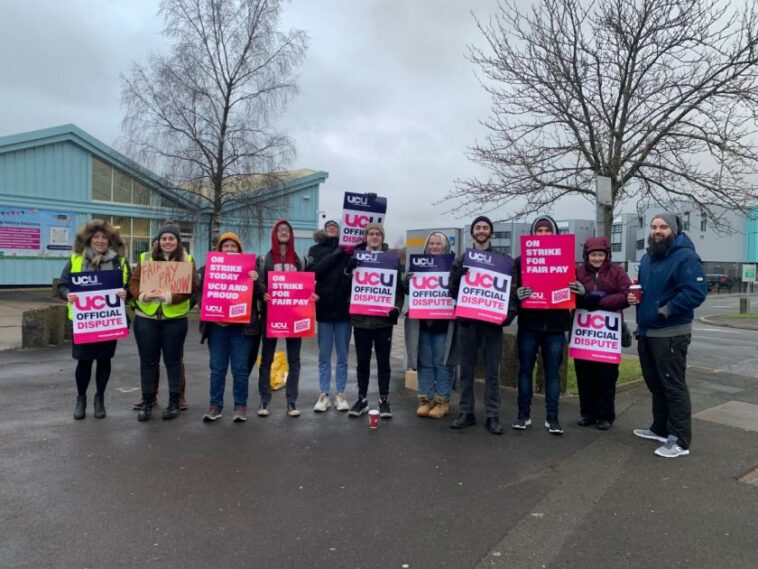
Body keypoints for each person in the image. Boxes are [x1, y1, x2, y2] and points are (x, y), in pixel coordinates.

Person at [628, 213, 707, 458]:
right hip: (648, 332)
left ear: (673, 230)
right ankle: (660, 428)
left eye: (663, 227)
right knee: (655, 383)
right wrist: (635, 297)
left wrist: (665, 310)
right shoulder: (649, 257)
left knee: (673, 386)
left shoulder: (686, 257)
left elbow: (696, 292)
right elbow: (646, 289)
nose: (657, 231)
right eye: (654, 227)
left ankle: (680, 440)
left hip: (671, 332)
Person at [447, 216, 517, 434]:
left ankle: (492, 415)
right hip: (467, 325)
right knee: (466, 371)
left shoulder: (504, 261)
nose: (481, 230)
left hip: (492, 326)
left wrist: (508, 316)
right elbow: (451, 291)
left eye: (485, 227)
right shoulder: (461, 260)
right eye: (478, 227)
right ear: (473, 232)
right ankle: (466, 412)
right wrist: (460, 276)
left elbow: (512, 293)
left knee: (492, 373)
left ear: (491, 233)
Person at [58, 219, 130, 420]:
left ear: (110, 241)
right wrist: (67, 295)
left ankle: (100, 399)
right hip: (84, 323)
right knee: (84, 362)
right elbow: (62, 285)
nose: (100, 241)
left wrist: (126, 294)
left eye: (104, 237)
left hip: (108, 322)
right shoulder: (76, 259)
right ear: (89, 240)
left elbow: (130, 287)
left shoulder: (119, 261)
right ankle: (81, 399)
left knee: (104, 360)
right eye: (96, 237)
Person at [513, 215, 578, 435]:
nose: (543, 235)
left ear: (555, 234)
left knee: (553, 374)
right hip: (529, 325)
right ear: (533, 235)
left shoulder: (566, 258)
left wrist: (577, 289)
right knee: (524, 372)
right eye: (539, 231)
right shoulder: (521, 261)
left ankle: (553, 418)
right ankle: (523, 415)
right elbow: (512, 290)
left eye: (547, 230)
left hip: (556, 326)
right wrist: (517, 294)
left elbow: (574, 287)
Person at [128, 222, 197, 422]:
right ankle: (148, 402)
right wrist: (141, 296)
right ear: (158, 241)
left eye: (171, 238)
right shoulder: (146, 258)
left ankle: (174, 402)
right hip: (146, 318)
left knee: (173, 362)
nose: (167, 242)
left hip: (174, 320)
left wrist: (169, 297)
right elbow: (133, 282)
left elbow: (191, 287)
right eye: (164, 238)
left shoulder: (187, 259)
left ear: (178, 241)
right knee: (148, 362)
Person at [199, 232, 261, 422]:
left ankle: (240, 406)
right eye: (225, 246)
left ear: (239, 249)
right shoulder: (208, 268)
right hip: (217, 327)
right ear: (220, 249)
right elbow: (199, 293)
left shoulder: (251, 269)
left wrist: (256, 280)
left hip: (241, 328)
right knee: (217, 368)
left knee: (240, 368)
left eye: (233, 246)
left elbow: (260, 295)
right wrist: (210, 311)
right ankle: (215, 406)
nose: (229, 249)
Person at [346, 223, 405, 419]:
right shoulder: (357, 257)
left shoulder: (391, 259)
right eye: (370, 233)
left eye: (377, 234)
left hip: (382, 322)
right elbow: (346, 284)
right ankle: (362, 399)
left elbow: (398, 288)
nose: (374, 237)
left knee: (383, 362)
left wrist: (396, 308)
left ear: (382, 237)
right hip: (361, 320)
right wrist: (348, 270)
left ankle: (384, 400)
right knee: (362, 362)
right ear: (366, 237)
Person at [573, 236, 631, 430]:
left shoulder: (618, 272)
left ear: (607, 255)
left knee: (607, 377)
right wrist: (585, 298)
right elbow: (571, 296)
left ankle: (605, 415)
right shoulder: (577, 272)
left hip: (608, 333)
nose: (597, 258)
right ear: (586, 255)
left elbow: (625, 296)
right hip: (584, 332)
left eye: (600, 254)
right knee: (584, 374)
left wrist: (593, 299)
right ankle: (586, 413)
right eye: (593, 254)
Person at [256, 219, 313, 418]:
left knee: (294, 360)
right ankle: (264, 400)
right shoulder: (264, 259)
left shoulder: (299, 260)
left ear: (291, 234)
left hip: (293, 318)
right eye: (280, 229)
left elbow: (305, 286)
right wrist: (263, 292)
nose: (283, 232)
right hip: (270, 317)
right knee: (267, 359)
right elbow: (258, 284)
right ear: (274, 233)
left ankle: (291, 401)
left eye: (287, 229)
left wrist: (310, 296)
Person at [404, 231, 457, 419]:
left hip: (444, 324)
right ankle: (425, 400)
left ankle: (442, 401)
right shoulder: (417, 266)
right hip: (422, 325)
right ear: (426, 246)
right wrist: (406, 281)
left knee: (442, 364)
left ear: (445, 247)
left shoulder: (453, 266)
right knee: (424, 363)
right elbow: (407, 290)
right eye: (431, 244)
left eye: (438, 244)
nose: (434, 247)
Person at [307, 219, 353, 412]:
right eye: (329, 226)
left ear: (340, 230)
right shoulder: (315, 250)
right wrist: (336, 254)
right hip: (324, 309)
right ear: (324, 231)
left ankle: (341, 393)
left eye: (335, 226)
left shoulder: (350, 250)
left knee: (343, 355)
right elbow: (313, 272)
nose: (332, 228)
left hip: (344, 309)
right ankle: (324, 394)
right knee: (324, 355)